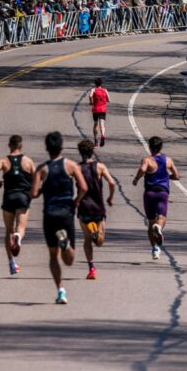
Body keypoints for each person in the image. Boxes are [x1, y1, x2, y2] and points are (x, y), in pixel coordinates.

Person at [30, 131, 87, 304]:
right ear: (61, 146)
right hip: (66, 213)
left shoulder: (42, 169)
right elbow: (83, 187)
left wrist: (42, 190)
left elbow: (33, 193)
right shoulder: (71, 166)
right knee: (69, 260)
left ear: (47, 148)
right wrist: (76, 201)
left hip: (50, 214)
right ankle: (67, 244)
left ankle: (61, 290)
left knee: (53, 256)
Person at [0, 134, 35, 275]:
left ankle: (11, 263)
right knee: (20, 228)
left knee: (8, 231)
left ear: (9, 145)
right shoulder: (28, 161)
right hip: (23, 198)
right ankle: (18, 237)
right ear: (20, 146)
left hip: (8, 197)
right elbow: (37, 177)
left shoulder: (4, 161)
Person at [132, 136, 180, 260]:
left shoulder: (147, 160)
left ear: (149, 147)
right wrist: (167, 177)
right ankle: (158, 227)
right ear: (161, 147)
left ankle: (155, 248)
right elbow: (177, 176)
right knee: (162, 218)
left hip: (149, 194)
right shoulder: (168, 160)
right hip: (162, 193)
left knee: (150, 222)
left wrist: (136, 179)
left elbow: (142, 170)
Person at [76, 139, 115, 280]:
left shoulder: (77, 168)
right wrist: (110, 198)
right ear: (92, 151)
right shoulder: (100, 167)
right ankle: (95, 231)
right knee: (99, 242)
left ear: (80, 153)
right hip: (98, 207)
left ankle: (91, 269)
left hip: (84, 207)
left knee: (87, 240)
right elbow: (112, 182)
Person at [88, 77, 109, 147]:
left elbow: (90, 96)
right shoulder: (105, 90)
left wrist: (91, 102)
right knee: (102, 125)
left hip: (96, 109)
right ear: (101, 83)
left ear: (95, 83)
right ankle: (103, 135)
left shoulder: (93, 90)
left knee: (95, 124)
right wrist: (105, 100)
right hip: (103, 109)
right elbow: (108, 99)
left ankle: (96, 140)